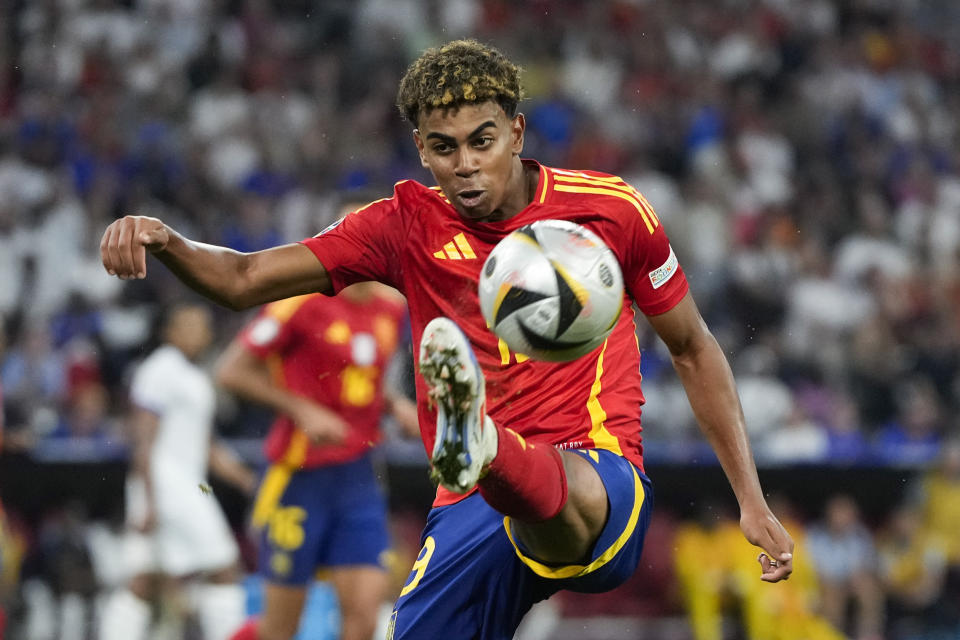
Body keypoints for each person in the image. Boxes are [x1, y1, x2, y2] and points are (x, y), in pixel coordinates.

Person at [99, 39, 793, 639]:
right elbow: (246, 276)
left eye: (481, 141)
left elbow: (694, 346)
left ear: (517, 133)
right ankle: (481, 449)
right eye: (444, 147)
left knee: (572, 502)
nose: (464, 164)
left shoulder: (610, 213)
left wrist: (751, 498)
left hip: (597, 470)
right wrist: (166, 239)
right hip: (470, 504)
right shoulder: (402, 225)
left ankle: (485, 445)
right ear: (421, 150)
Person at [217, 197, 419, 640]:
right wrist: (301, 409)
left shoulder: (392, 306)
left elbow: (358, 375)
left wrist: (394, 404)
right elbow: (230, 370)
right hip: (298, 475)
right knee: (279, 628)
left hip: (359, 478)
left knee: (365, 617)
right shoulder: (301, 301)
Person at [99, 303, 258, 640]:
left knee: (146, 579)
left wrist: (246, 479)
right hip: (169, 486)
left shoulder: (195, 376)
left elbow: (205, 445)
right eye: (191, 325)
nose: (202, 332)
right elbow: (143, 441)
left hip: (185, 485)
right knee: (225, 566)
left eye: (203, 326)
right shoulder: (159, 370)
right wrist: (148, 501)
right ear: (170, 332)